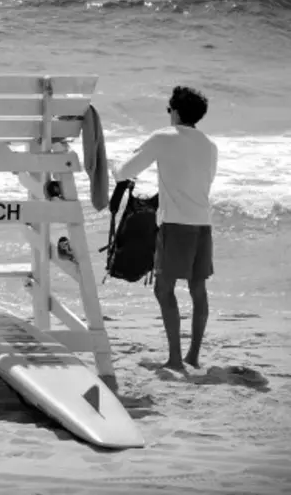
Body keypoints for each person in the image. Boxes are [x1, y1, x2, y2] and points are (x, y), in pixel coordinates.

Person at [113, 86, 218, 372]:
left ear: (175, 111)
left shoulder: (163, 137)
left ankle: (174, 359)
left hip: (175, 225)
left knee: (163, 288)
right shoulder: (209, 145)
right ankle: (193, 356)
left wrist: (112, 168)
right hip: (203, 224)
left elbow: (125, 171)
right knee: (198, 289)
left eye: (169, 109)